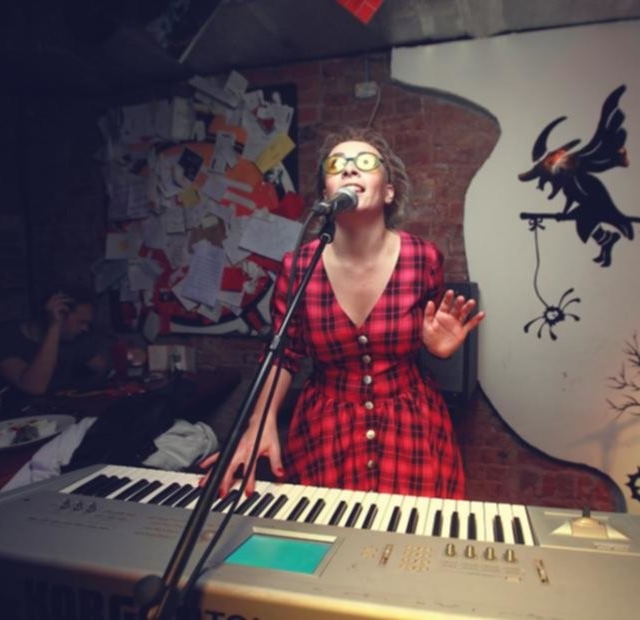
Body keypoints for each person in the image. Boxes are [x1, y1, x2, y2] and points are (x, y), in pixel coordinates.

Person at [202, 127, 485, 500]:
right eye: (336, 165)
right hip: (326, 430)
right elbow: (283, 354)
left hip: (411, 423)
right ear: (326, 194)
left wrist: (436, 347)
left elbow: (431, 326)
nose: (350, 169)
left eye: (365, 162)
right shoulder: (297, 266)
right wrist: (260, 421)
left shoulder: (424, 258)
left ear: (389, 191)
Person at [0, 285, 109, 403]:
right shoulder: (4, 338)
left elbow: (103, 368)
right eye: (81, 321)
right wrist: (54, 326)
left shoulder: (73, 339)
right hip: (19, 413)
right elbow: (35, 387)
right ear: (59, 313)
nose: (85, 328)